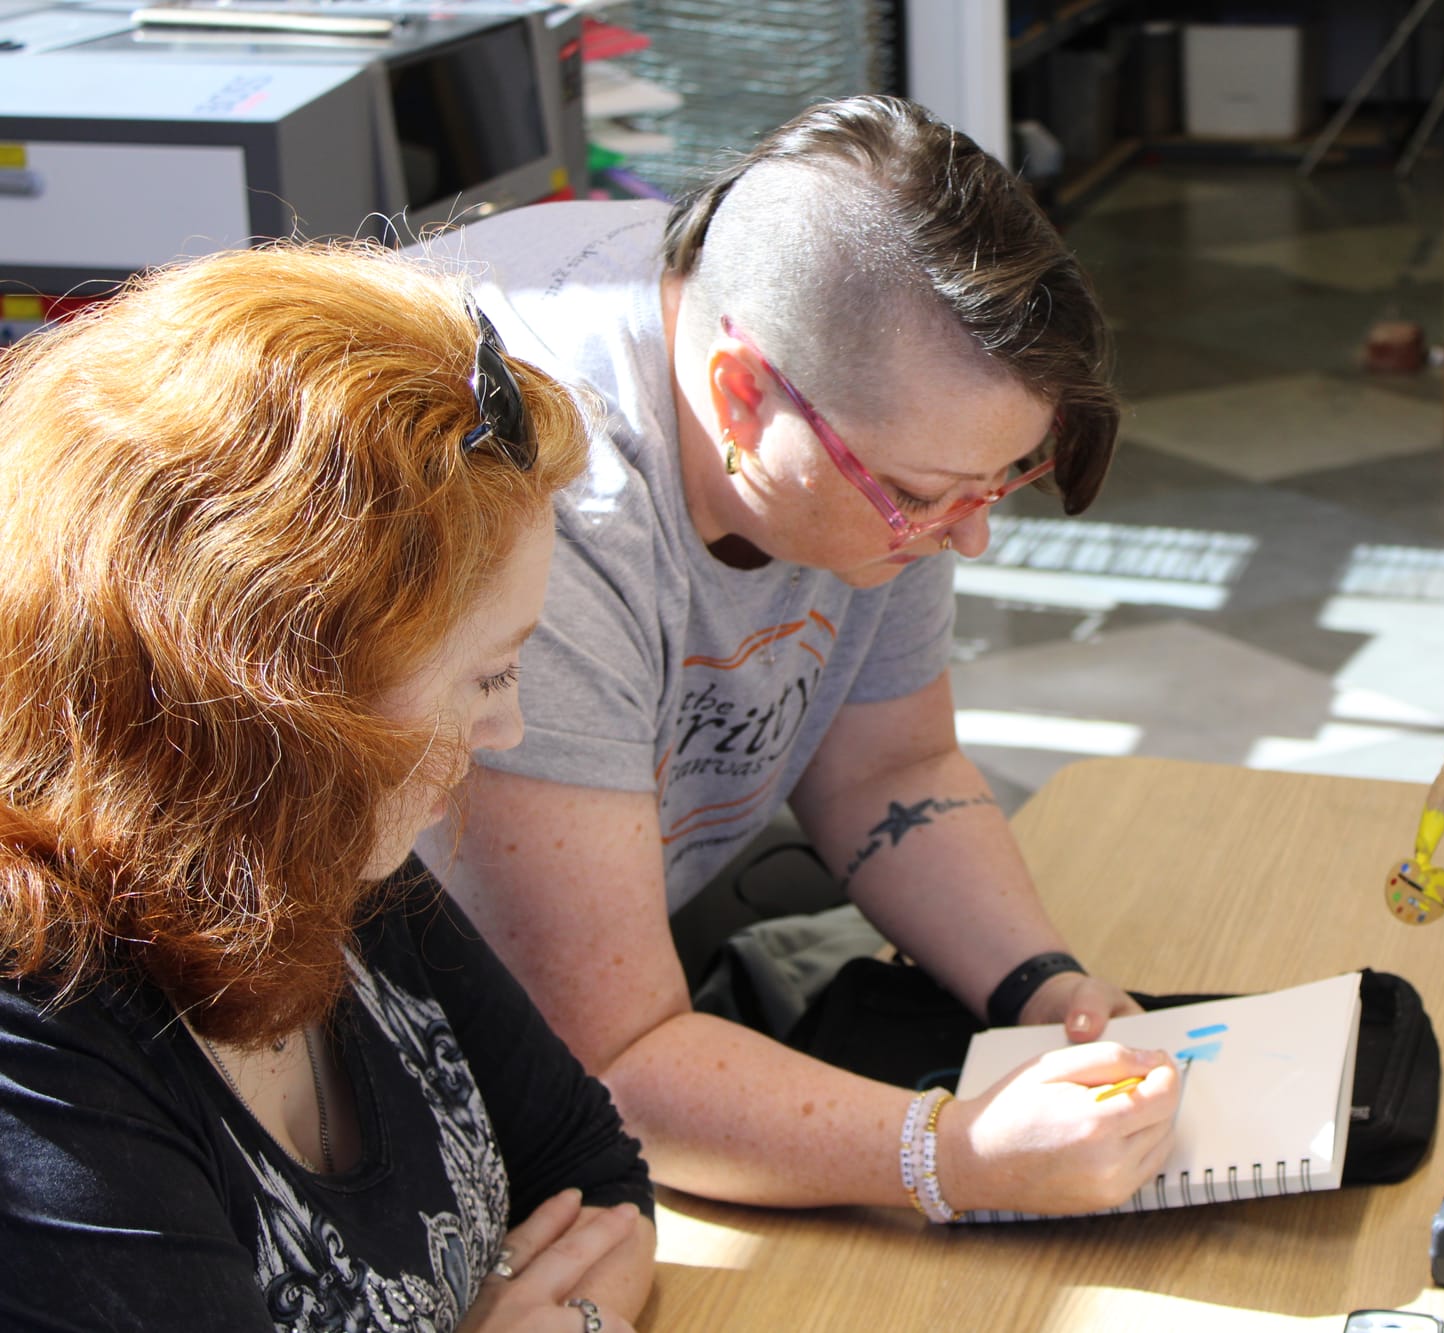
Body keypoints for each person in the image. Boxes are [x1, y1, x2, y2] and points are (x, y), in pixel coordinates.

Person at [416, 94, 1182, 1220]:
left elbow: (891, 770)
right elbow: (609, 1058)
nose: (968, 536)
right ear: (740, 392)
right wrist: (955, 1155)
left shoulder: (864, 382)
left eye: (1001, 481)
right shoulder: (540, 517)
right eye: (925, 499)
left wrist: (1041, 986)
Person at [0, 243, 658, 1331]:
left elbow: (597, 1178)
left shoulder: (309, 844)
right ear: (288, 694)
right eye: (487, 672)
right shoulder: (38, 1025)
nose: (510, 725)